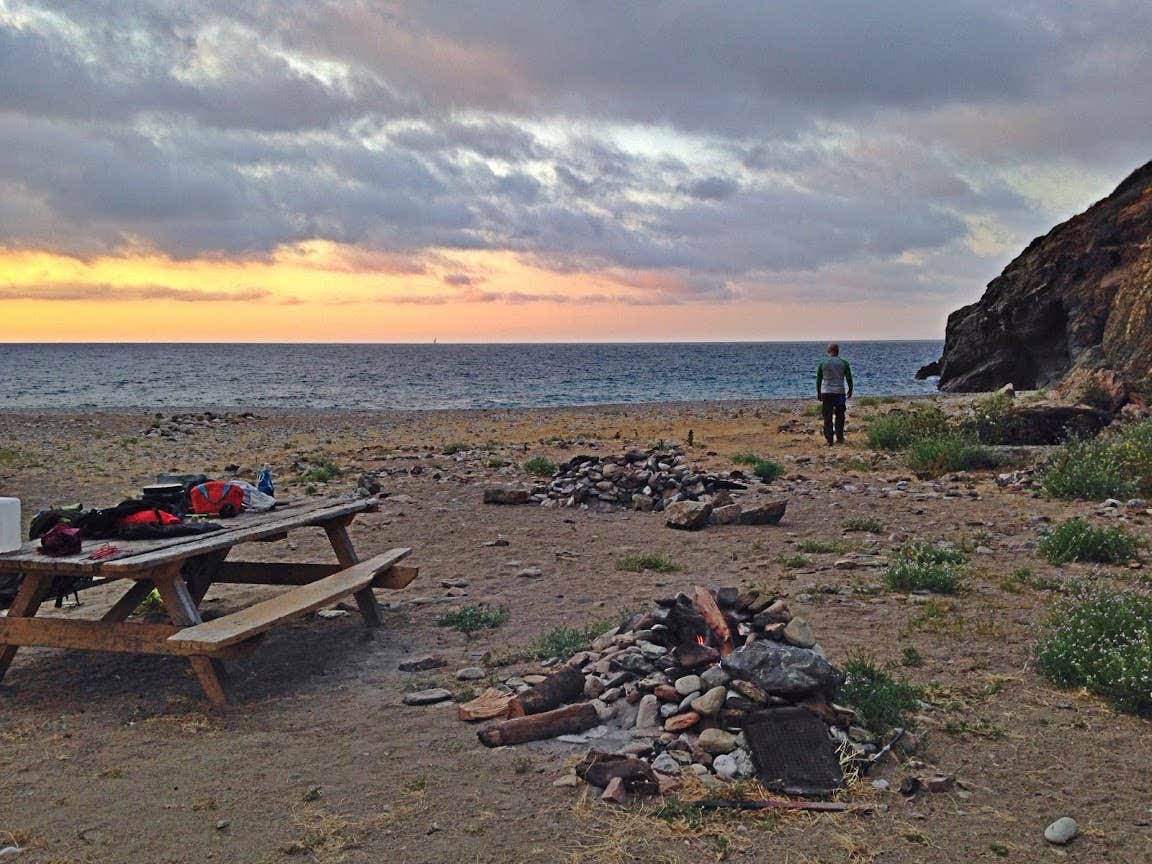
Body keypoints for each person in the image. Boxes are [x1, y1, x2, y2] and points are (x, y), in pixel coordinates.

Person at [816, 343, 853, 446]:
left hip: (826, 393)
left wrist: (818, 392)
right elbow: (849, 377)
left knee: (827, 416)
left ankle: (829, 440)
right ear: (838, 351)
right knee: (840, 415)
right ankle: (840, 438)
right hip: (840, 393)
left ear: (828, 351)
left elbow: (819, 379)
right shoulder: (844, 363)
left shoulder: (823, 363)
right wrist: (850, 389)